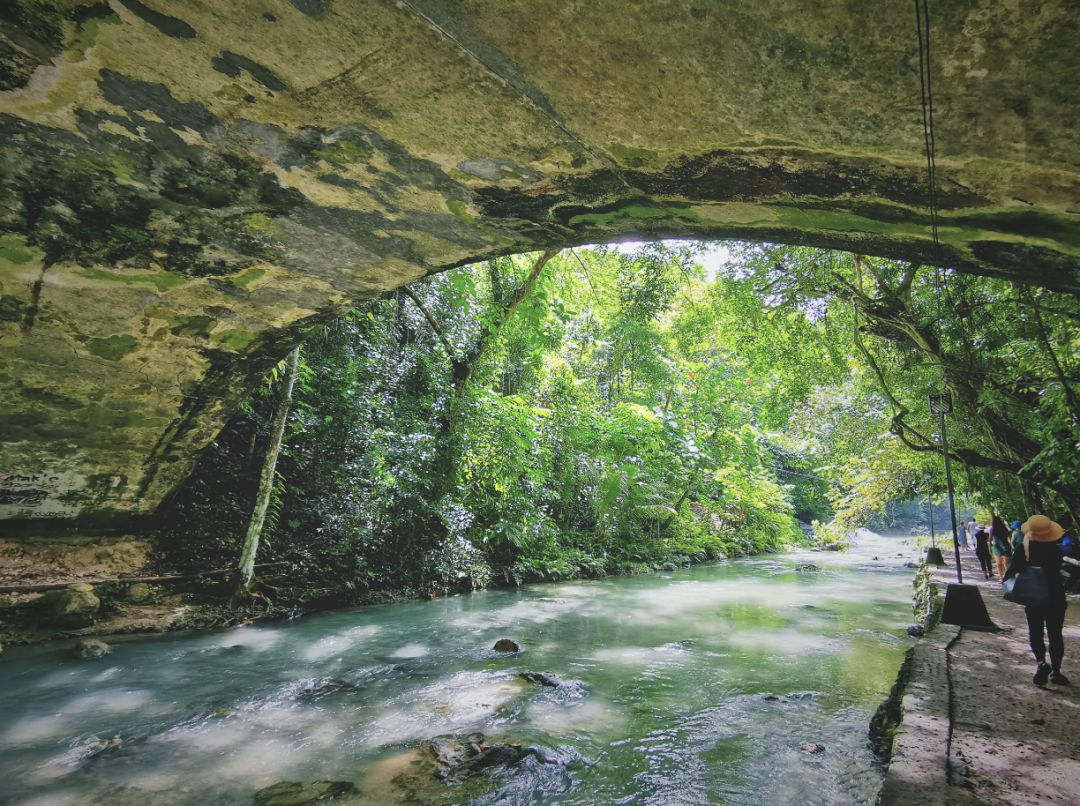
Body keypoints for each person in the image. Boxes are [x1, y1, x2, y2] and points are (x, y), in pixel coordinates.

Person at [1006, 514, 1069, 686]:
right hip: (1055, 597)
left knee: (1036, 632)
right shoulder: (1055, 550)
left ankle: (1041, 663)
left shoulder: (1023, 548)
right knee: (1055, 634)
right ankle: (1056, 671)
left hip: (1033, 597)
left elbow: (1011, 572)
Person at [990, 514, 1012, 581]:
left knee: (999, 564)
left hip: (997, 547)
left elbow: (990, 539)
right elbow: (1009, 537)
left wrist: (990, 549)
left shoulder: (992, 529)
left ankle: (1001, 578)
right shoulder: (1004, 528)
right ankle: (1008, 577)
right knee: (1007, 564)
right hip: (1005, 546)